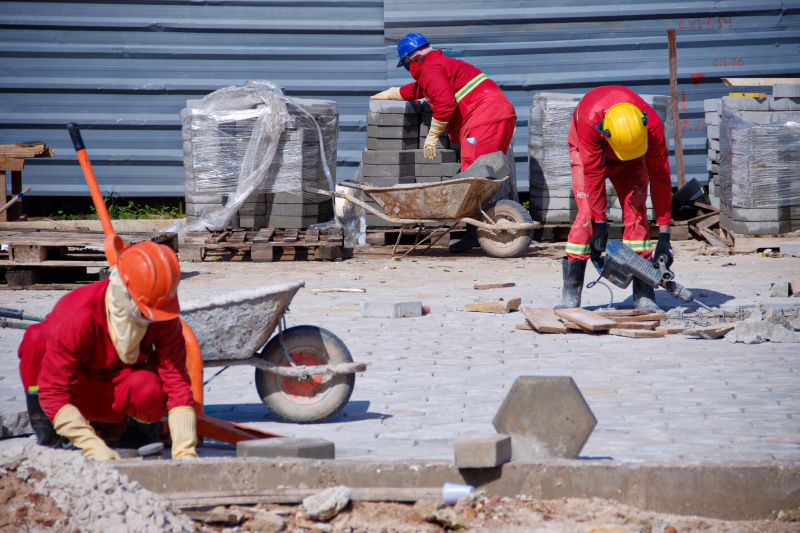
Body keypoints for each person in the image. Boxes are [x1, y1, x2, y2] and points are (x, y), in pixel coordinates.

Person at [18, 241, 198, 461]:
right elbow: (54, 391)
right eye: (144, 314)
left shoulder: (160, 309)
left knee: (147, 388)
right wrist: (89, 443)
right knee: (36, 339)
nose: (150, 319)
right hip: (76, 393)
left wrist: (185, 450)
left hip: (119, 391)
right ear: (125, 293)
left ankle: (131, 434)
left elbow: (176, 383)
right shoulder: (75, 315)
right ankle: (53, 437)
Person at [371, 32, 517, 252]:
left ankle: (478, 233)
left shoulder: (430, 69)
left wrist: (432, 135)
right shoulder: (437, 65)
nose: (409, 71)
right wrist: (390, 94)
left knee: (476, 175)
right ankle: (480, 230)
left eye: (407, 66)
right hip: (494, 114)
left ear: (412, 59)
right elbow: (420, 90)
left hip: (485, 117)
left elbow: (445, 103)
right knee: (485, 174)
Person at [558, 85, 674, 311]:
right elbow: (592, 175)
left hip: (632, 155)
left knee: (637, 211)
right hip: (589, 150)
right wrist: (600, 223)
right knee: (586, 216)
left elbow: (661, 178)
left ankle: (643, 293)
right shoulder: (591, 122)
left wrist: (664, 234)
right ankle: (571, 293)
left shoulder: (651, 125)